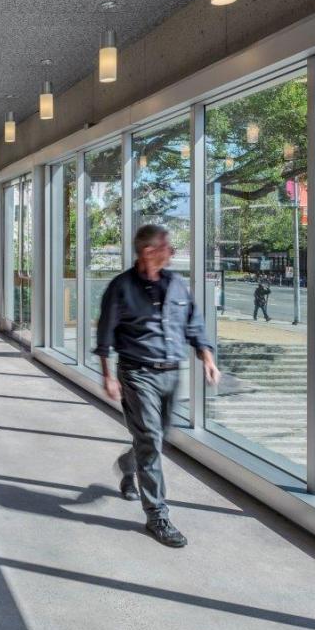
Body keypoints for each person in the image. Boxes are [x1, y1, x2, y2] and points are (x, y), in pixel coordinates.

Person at [95, 224, 221, 548]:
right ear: (149, 251)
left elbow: (193, 323)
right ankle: (157, 516)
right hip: (137, 373)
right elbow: (105, 335)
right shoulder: (121, 287)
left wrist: (207, 358)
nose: (172, 251)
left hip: (171, 373)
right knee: (150, 438)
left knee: (158, 436)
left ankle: (128, 464)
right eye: (167, 246)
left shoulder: (177, 284)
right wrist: (108, 375)